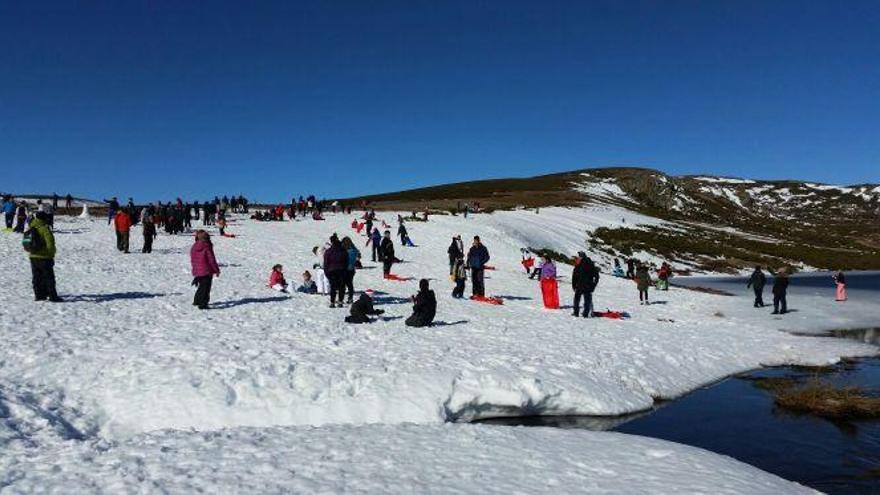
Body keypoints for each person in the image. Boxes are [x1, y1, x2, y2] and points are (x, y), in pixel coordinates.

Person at [26, 212, 61, 302]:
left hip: (33, 256)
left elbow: (26, 242)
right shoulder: (45, 228)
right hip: (45, 257)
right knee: (49, 277)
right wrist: (52, 253)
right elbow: (50, 243)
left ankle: (39, 295)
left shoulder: (31, 227)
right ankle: (52, 296)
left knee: (37, 277)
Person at [190, 230, 220, 310]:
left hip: (198, 270)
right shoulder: (207, 246)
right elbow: (211, 259)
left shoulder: (194, 246)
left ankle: (196, 301)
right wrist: (216, 270)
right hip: (206, 271)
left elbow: (193, 258)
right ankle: (203, 304)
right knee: (206, 288)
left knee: (201, 287)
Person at [572, 252, 600, 317]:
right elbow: (597, 276)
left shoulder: (578, 264)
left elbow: (574, 276)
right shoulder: (591, 264)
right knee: (587, 300)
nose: (578, 257)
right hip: (588, 286)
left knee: (577, 299)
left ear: (581, 257)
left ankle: (576, 313)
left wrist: (573, 285)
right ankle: (585, 314)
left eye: (579, 256)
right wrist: (593, 285)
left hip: (580, 285)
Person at [323, 235, 348, 308]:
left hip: (332, 271)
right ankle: (340, 301)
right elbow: (346, 261)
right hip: (342, 270)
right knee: (341, 287)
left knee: (333, 287)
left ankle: (332, 302)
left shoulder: (329, 251)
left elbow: (326, 263)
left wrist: (326, 273)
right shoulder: (343, 250)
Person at [342, 236, 360, 304]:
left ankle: (341, 298)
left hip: (344, 269)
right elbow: (358, 257)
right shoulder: (354, 250)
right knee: (350, 284)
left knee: (342, 284)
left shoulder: (345, 251)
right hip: (352, 269)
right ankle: (350, 298)